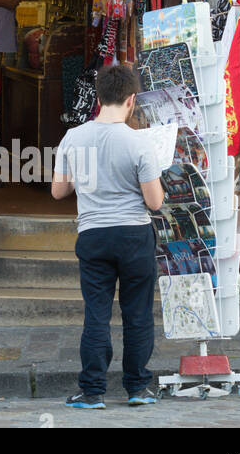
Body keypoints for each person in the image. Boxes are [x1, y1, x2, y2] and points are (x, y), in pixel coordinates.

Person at [51, 64, 165, 410]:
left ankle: (92, 391)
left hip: (94, 235)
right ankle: (137, 388)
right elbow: (154, 201)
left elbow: (58, 191)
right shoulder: (139, 143)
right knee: (138, 314)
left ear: (98, 97)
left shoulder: (74, 137)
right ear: (131, 100)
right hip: (134, 236)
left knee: (96, 314)